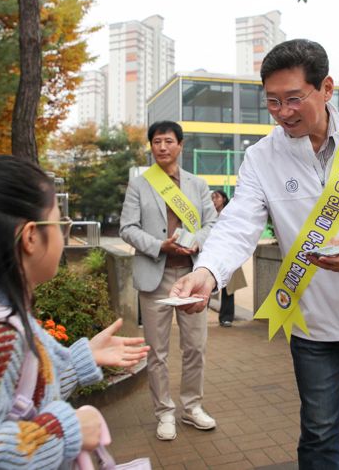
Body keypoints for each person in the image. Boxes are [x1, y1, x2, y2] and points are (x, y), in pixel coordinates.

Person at [171, 39, 339, 469]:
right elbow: (239, 223)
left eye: (293, 99)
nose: (283, 112)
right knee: (319, 431)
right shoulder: (261, 158)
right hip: (311, 320)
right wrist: (207, 271)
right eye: (272, 101)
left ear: (326, 88)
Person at [0, 150, 148, 468]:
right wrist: (66, 429)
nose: (64, 234)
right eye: (60, 222)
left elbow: (16, 398)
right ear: (31, 236)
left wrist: (81, 360)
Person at [119, 121, 218, 441]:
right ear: (151, 146)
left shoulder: (197, 184)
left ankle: (192, 407)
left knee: (195, 347)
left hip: (192, 276)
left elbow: (212, 224)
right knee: (157, 352)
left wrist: (197, 241)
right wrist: (157, 245)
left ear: (180, 145)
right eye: (157, 141)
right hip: (154, 276)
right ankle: (164, 412)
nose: (162, 147)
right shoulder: (140, 184)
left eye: (169, 141)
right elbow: (127, 227)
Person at [211, 189, 248, 327]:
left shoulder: (230, 214)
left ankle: (226, 317)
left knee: (228, 289)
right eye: (212, 197)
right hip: (213, 256)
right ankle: (202, 317)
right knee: (208, 286)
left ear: (224, 199)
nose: (214, 200)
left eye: (217, 197)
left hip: (229, 256)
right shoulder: (209, 215)